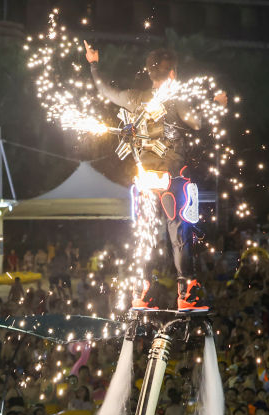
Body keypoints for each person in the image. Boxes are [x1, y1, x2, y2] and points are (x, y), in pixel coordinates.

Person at [85, 42, 226, 312]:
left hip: (146, 179)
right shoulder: (175, 100)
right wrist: (215, 104)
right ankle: (186, 291)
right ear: (172, 74)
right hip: (173, 178)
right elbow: (198, 123)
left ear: (150, 74)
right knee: (180, 232)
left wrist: (94, 64)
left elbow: (105, 90)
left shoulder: (136, 99)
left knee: (146, 235)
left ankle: (142, 290)